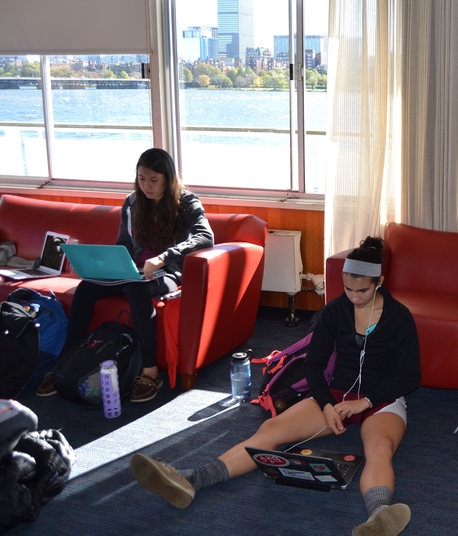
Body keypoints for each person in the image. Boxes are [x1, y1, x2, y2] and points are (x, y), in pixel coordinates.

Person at [129, 237, 421, 536]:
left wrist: (366, 401)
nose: (355, 297)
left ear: (380, 281)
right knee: (269, 431)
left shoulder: (399, 317)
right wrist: (325, 404)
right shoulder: (335, 311)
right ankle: (193, 479)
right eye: (348, 288)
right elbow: (314, 365)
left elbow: (411, 376)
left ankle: (379, 517)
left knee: (380, 448)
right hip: (336, 394)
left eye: (363, 290)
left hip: (380, 399)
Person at [37, 148, 214, 403]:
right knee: (87, 287)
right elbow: (124, 245)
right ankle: (67, 362)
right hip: (133, 272)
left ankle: (151, 371)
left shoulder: (187, 202)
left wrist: (164, 256)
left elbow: (205, 236)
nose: (146, 186)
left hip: (167, 273)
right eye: (141, 179)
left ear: (168, 178)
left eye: (154, 180)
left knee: (136, 289)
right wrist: (111, 265)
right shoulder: (132, 202)